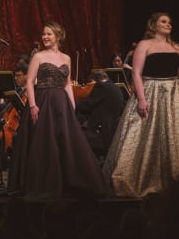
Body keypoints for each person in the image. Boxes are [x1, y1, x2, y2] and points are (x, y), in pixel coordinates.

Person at [103, 13, 179, 198]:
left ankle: (177, 182)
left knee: (174, 136)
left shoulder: (176, 47)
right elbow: (136, 73)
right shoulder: (145, 45)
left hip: (172, 94)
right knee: (143, 134)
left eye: (170, 22)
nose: (168, 25)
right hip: (150, 90)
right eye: (164, 21)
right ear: (154, 25)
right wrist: (142, 99)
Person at [7, 21, 107, 199]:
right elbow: (29, 82)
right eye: (44, 34)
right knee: (45, 141)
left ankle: (69, 182)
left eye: (49, 34)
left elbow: (67, 84)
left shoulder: (66, 58)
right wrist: (32, 105)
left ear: (58, 37)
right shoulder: (38, 57)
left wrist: (72, 105)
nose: (45, 37)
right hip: (43, 100)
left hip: (62, 103)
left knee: (66, 142)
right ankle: (45, 183)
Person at [75, 69, 126, 158]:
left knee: (71, 136)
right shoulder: (116, 88)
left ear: (95, 80)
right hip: (109, 133)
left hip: (98, 133)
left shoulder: (101, 87)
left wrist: (72, 101)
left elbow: (86, 105)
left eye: (90, 82)